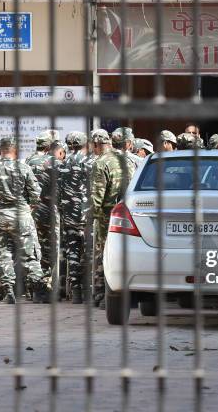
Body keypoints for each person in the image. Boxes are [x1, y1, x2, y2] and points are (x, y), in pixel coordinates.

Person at [0, 137, 47, 304]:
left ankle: (8, 291)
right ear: (15, 151)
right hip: (21, 216)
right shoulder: (24, 168)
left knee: (4, 254)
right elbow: (37, 195)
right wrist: (30, 207)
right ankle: (38, 291)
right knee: (30, 254)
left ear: (0, 151)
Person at [90, 129, 136, 309]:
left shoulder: (100, 163)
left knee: (103, 254)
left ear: (96, 145)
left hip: (106, 217)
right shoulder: (127, 160)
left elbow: (97, 197)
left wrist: (89, 218)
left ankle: (103, 296)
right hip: (125, 215)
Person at [26, 131, 63, 302]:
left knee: (34, 249)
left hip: (31, 211)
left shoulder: (28, 161)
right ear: (49, 146)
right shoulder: (54, 163)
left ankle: (32, 287)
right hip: (50, 211)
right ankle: (47, 287)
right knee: (50, 249)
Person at [60, 131, 93, 304]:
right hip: (86, 215)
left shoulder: (62, 164)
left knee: (72, 252)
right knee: (88, 252)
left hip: (68, 215)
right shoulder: (89, 162)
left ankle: (76, 291)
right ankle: (88, 290)